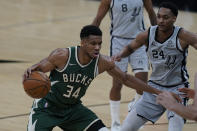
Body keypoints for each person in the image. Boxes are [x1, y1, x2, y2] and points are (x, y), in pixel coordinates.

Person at [23, 25, 163, 131]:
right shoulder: (62, 55)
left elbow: (126, 78)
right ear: (83, 43)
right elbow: (39, 69)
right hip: (46, 109)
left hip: (73, 109)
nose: (97, 47)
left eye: (100, 43)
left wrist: (156, 91)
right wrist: (31, 71)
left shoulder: (102, 62)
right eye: (93, 44)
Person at [113, 2, 197, 131]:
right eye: (159, 17)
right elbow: (130, 47)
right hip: (154, 88)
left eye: (165, 17)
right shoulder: (147, 34)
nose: (161, 20)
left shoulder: (182, 35)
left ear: (174, 18)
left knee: (175, 128)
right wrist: (120, 54)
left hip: (178, 89)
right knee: (126, 128)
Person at [91, 0, 156, 130]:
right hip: (118, 42)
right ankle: (115, 123)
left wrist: (158, 36)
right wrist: (89, 40)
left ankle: (135, 109)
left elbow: (151, 13)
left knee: (142, 83)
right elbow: (98, 19)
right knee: (117, 83)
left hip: (139, 40)